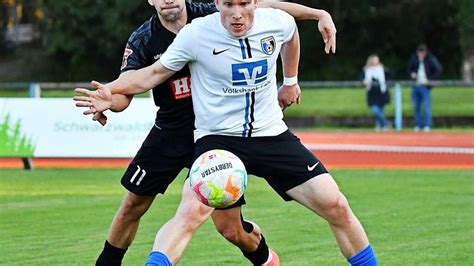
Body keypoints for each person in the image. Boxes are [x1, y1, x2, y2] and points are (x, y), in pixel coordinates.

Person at [76, 0, 377, 265]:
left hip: (271, 134)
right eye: (228, 5)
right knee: (190, 214)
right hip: (216, 139)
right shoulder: (194, 33)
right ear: (217, 3)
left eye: (244, 4)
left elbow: (291, 33)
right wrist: (111, 90)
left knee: (335, 204)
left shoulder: (275, 21)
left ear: (255, 3)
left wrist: (291, 79)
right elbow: (150, 75)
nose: (236, 13)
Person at [407, 44, 442, 132]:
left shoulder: (430, 59)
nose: (420, 54)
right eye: (419, 52)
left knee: (426, 106)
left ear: (425, 53)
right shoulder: (414, 58)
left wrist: (431, 80)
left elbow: (438, 69)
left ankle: (427, 125)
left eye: (422, 52)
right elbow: (409, 68)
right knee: (416, 106)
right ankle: (418, 125)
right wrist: (412, 74)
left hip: (425, 86)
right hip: (415, 85)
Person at [361, 54, 390, 131]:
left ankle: (380, 126)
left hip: (381, 91)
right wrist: (363, 81)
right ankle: (385, 123)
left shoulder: (382, 69)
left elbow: (390, 76)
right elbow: (361, 78)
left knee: (381, 110)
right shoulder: (366, 69)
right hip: (372, 92)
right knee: (375, 111)